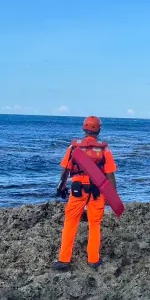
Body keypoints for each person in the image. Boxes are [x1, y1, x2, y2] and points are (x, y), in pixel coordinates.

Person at [52, 116, 118, 270]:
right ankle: (93, 260)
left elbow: (65, 170)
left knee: (71, 222)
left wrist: (61, 187)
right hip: (97, 190)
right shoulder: (104, 149)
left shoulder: (73, 148)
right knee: (95, 224)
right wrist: (112, 195)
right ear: (99, 130)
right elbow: (110, 175)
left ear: (84, 129)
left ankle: (64, 260)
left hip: (77, 189)